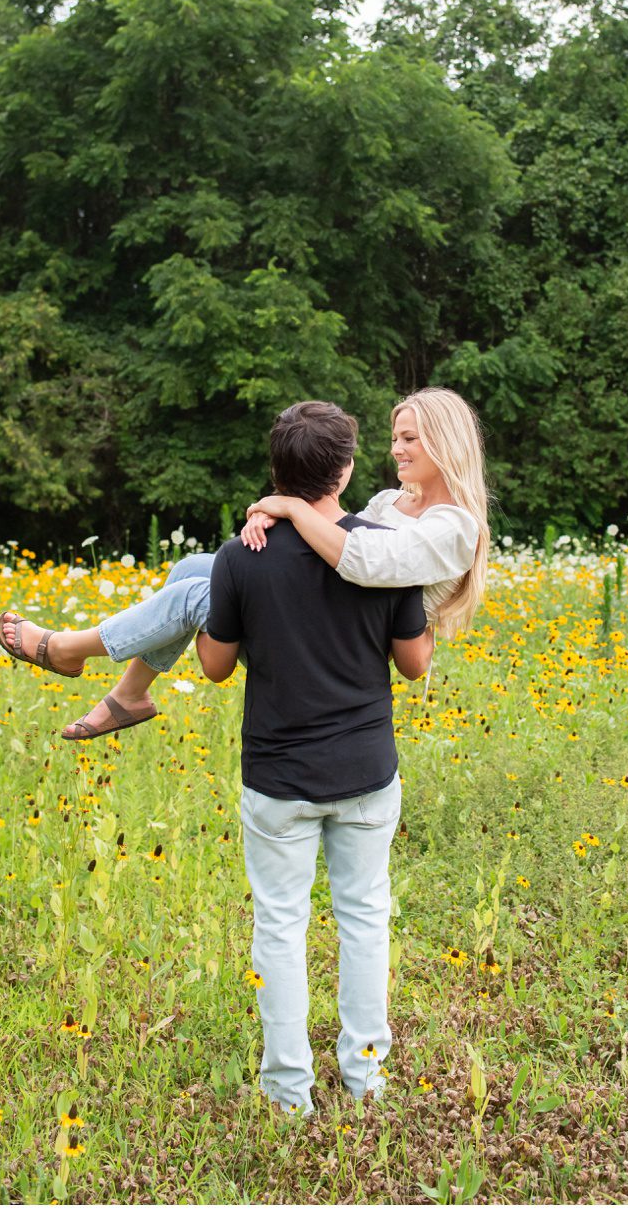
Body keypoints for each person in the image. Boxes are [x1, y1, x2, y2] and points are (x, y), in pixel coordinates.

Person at [0, 387, 490, 739]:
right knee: (194, 568)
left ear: (445, 443)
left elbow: (366, 560)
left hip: (350, 642)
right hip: (333, 609)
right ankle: (130, 696)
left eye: (409, 438)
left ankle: (67, 649)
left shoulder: (455, 526)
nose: (395, 448)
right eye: (396, 437)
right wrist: (274, 527)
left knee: (197, 593)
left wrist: (290, 505)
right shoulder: (389, 503)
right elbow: (336, 538)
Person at [190, 399, 429, 1113]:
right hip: (363, 770)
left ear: (276, 472)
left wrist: (213, 599)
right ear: (348, 469)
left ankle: (288, 1091)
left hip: (277, 778)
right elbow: (415, 664)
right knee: (363, 916)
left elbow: (213, 664)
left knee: (280, 924)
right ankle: (366, 1080)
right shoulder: (384, 548)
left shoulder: (241, 556)